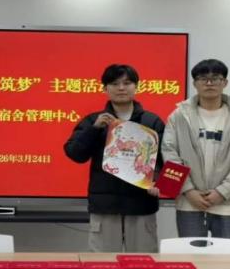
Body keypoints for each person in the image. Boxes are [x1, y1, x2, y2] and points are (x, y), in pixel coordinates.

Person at [64, 64, 165, 252]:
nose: (121, 88)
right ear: (105, 89)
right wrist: (94, 129)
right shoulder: (94, 120)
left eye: (127, 83)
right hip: (105, 207)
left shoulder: (152, 121)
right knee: (103, 262)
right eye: (115, 83)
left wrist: (160, 181)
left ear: (136, 87)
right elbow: (75, 154)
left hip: (141, 205)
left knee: (143, 262)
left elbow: (167, 158)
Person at [161, 59, 230, 240]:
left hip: (228, 203)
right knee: (190, 254)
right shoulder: (179, 116)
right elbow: (169, 153)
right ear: (194, 83)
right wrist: (188, 190)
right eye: (203, 78)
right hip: (189, 202)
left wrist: (222, 192)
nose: (209, 83)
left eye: (215, 78)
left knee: (227, 255)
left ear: (225, 82)